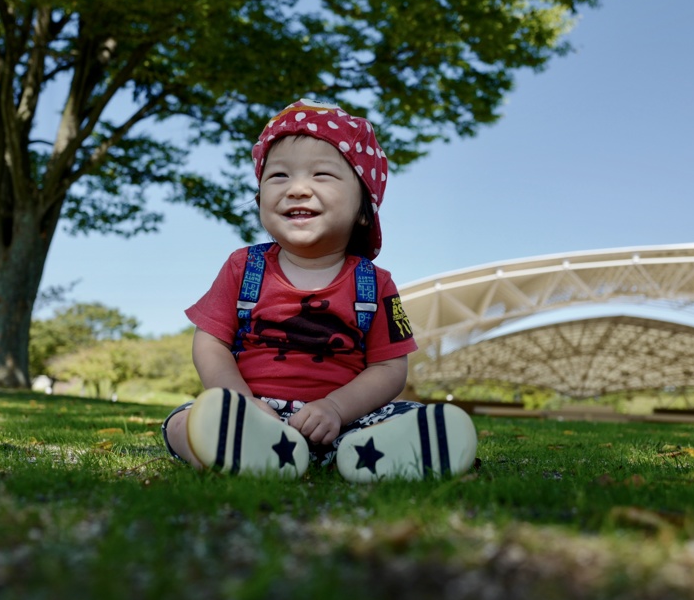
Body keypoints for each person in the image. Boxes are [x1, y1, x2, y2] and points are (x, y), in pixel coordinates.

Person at [162, 98, 477, 481]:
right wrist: (240, 402)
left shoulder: (375, 284)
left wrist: (335, 408)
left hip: (345, 420)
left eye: (322, 175)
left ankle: (369, 454)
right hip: (257, 416)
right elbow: (210, 343)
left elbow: (390, 367)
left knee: (408, 415)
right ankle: (242, 446)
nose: (296, 189)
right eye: (278, 176)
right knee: (184, 420)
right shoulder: (243, 267)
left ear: (364, 208)